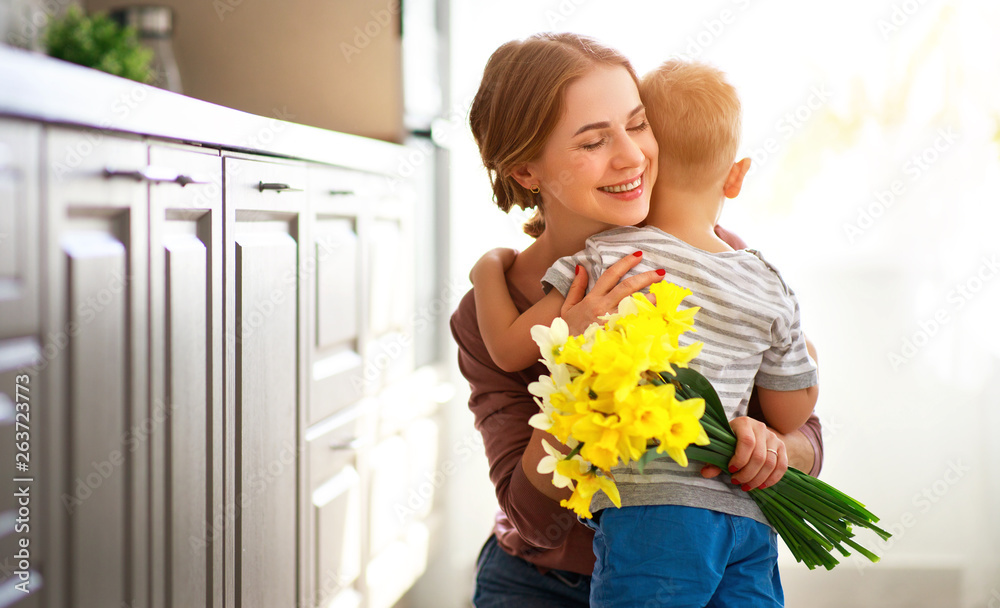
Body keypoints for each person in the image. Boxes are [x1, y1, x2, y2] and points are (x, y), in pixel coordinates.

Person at [450, 33, 825, 608]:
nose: (633, 157)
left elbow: (806, 435)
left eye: (638, 124)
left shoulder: (717, 259)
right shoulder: (494, 312)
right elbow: (530, 514)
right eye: (594, 141)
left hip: (697, 572)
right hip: (541, 583)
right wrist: (578, 372)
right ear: (526, 171)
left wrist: (768, 447)